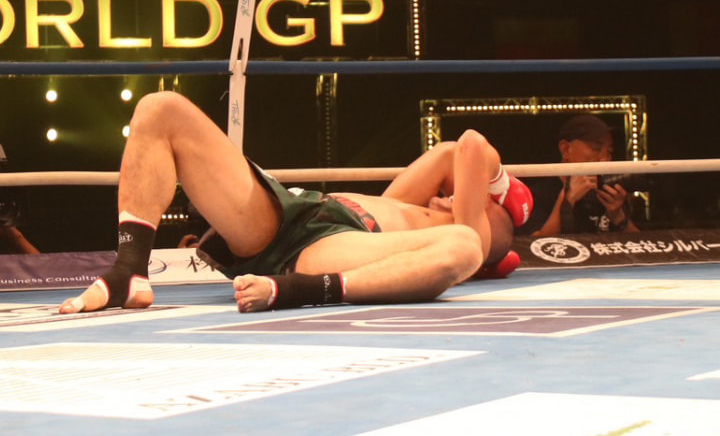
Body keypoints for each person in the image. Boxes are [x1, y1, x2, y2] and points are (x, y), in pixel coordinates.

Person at [59, 91, 533, 314]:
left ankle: (297, 291)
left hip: (331, 248)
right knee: (160, 109)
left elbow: (471, 145)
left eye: (464, 194)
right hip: (292, 212)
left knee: (462, 244)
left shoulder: (469, 230)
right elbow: (450, 152)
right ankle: (129, 272)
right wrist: (483, 189)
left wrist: (499, 186)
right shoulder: (410, 207)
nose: (448, 192)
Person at [518, 113, 639, 236]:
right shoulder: (537, 196)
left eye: (609, 152)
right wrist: (566, 201)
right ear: (565, 149)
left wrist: (619, 218)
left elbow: (643, 243)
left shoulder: (611, 194)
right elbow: (534, 244)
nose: (604, 159)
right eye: (596, 148)